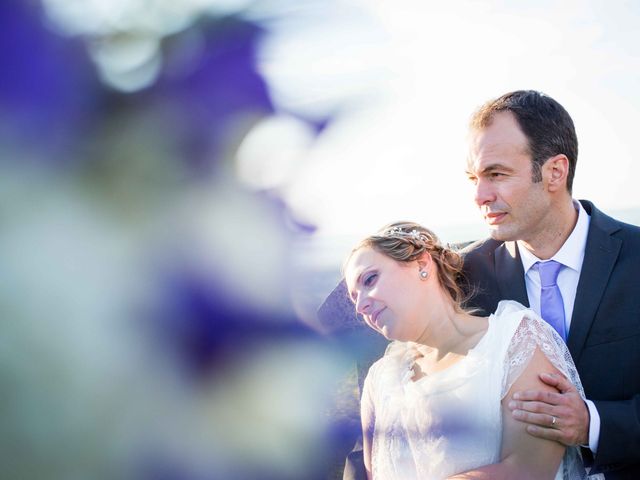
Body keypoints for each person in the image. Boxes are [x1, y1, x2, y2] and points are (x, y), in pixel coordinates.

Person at [343, 222, 586, 479]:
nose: (360, 306)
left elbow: (528, 470)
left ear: (422, 265)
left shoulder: (513, 340)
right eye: (354, 297)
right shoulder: (380, 380)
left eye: (369, 279)